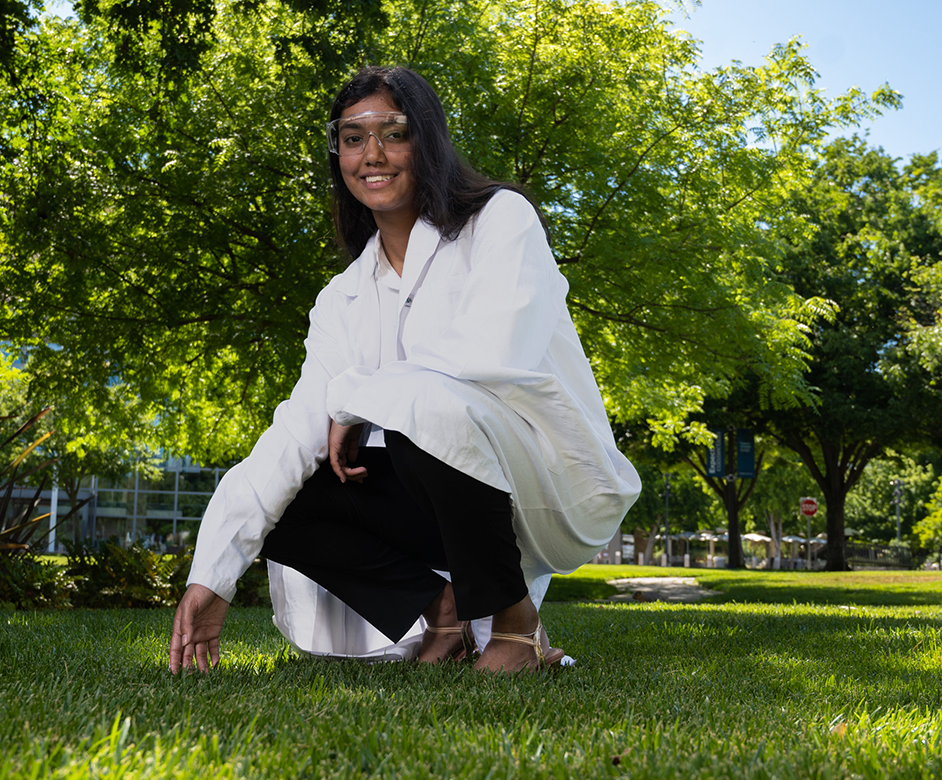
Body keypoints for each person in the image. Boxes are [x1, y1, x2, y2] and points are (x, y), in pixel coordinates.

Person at [169, 66, 641, 675]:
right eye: (353, 137)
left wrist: (356, 400)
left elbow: (487, 358)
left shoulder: (501, 220)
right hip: (435, 500)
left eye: (392, 132)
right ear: (337, 152)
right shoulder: (341, 298)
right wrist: (213, 576)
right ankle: (440, 607)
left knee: (419, 407)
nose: (373, 155)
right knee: (286, 491)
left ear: (428, 139)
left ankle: (516, 626)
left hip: (537, 486)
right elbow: (294, 435)